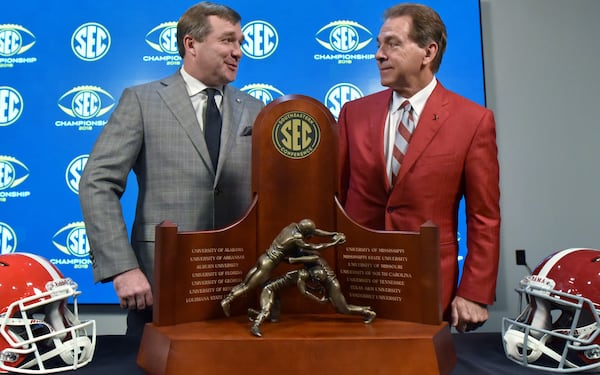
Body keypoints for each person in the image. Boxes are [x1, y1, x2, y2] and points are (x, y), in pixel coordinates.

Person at [78, 2, 264, 337]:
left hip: (240, 287)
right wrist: (122, 267)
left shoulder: (255, 109)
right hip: (160, 281)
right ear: (191, 44)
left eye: (240, 42)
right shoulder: (141, 101)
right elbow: (97, 183)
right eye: (227, 41)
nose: (238, 51)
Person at [337, 4, 500, 333]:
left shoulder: (473, 121)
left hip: (428, 289)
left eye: (392, 44)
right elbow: (335, 200)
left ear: (428, 52)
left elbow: (484, 217)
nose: (378, 54)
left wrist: (474, 292)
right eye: (378, 44)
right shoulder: (353, 114)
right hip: (354, 288)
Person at [220, 219, 346, 316]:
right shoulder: (296, 239)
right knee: (248, 287)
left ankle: (233, 301)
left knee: (245, 283)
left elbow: (314, 231)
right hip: (268, 265)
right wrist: (334, 242)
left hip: (263, 258)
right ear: (305, 232)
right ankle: (227, 301)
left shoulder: (292, 226)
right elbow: (315, 247)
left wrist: (332, 233)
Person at [247, 249, 375, 337]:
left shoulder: (314, 265)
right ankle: (256, 325)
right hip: (268, 289)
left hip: (274, 289)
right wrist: (319, 300)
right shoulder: (302, 275)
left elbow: (310, 286)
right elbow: (304, 292)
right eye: (314, 279)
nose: (315, 281)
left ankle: (366, 311)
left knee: (274, 317)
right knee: (267, 309)